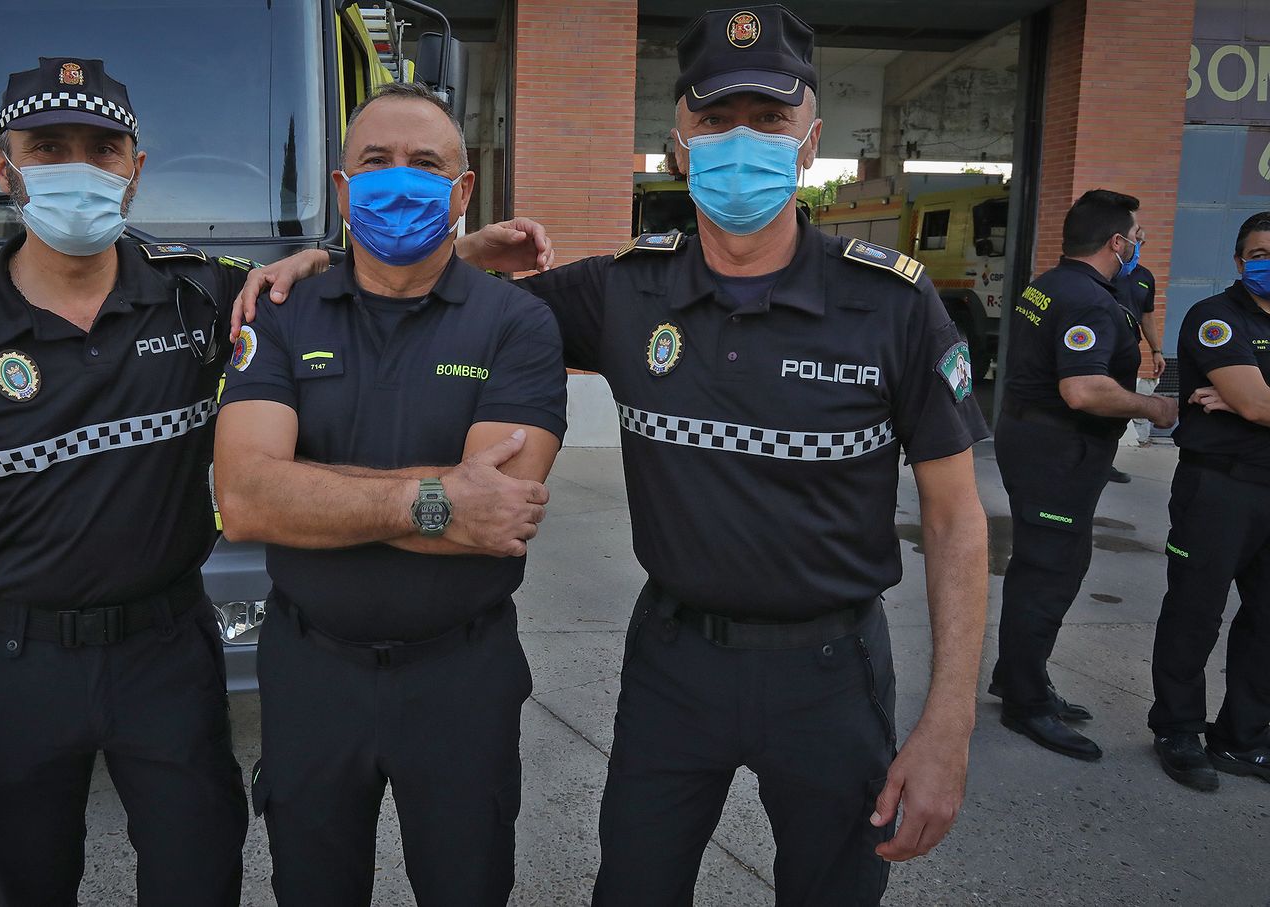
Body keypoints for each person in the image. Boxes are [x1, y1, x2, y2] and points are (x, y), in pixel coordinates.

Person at [240, 7, 990, 905]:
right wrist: (326, 261)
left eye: (769, 119)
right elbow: (428, 286)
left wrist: (949, 726)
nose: (740, 140)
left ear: (810, 139)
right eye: (715, 120)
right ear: (680, 143)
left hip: (831, 671)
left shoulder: (894, 306)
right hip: (675, 663)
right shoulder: (627, 290)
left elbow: (955, 515)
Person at [0, 57, 325, 906]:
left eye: (103, 148)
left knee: (199, 881)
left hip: (168, 657)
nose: (79, 166)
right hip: (15, 664)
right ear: (4, 166)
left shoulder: (199, 299)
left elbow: (346, 301)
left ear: (135, 171)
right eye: (49, 145)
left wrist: (354, 257)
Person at [213, 81, 567, 906]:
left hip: (462, 676)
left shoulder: (515, 324)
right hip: (311, 673)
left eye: (425, 162)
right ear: (343, 188)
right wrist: (433, 500)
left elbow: (499, 516)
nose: (398, 179)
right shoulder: (285, 310)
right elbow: (247, 499)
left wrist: (316, 488)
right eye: (376, 162)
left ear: (464, 188)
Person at [988, 189, 1178, 763]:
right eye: (1135, 236)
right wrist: (1155, 408)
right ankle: (1026, 702)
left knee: (1042, 566)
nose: (1138, 244)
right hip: (1055, 454)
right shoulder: (1089, 301)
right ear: (1116, 242)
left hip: (1034, 441)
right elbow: (1083, 388)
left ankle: (1019, 678)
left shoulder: (1049, 285)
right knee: (1050, 571)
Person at [1148, 211, 1270, 791]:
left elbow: (1255, 400)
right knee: (1194, 612)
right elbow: (1255, 406)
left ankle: (1241, 739)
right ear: (1239, 260)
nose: (1267, 262)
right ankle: (1177, 729)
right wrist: (1249, 399)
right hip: (1220, 488)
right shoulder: (1215, 317)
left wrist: (1253, 397)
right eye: (1259, 252)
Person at [1109, 230, 1166, 478]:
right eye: (1137, 239)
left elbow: (1147, 316)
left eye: (1142, 241)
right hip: (1101, 351)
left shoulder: (1145, 277)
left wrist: (1157, 351)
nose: (1139, 245)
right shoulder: (1107, 273)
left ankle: (1104, 463)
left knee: (1117, 413)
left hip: (1128, 354)